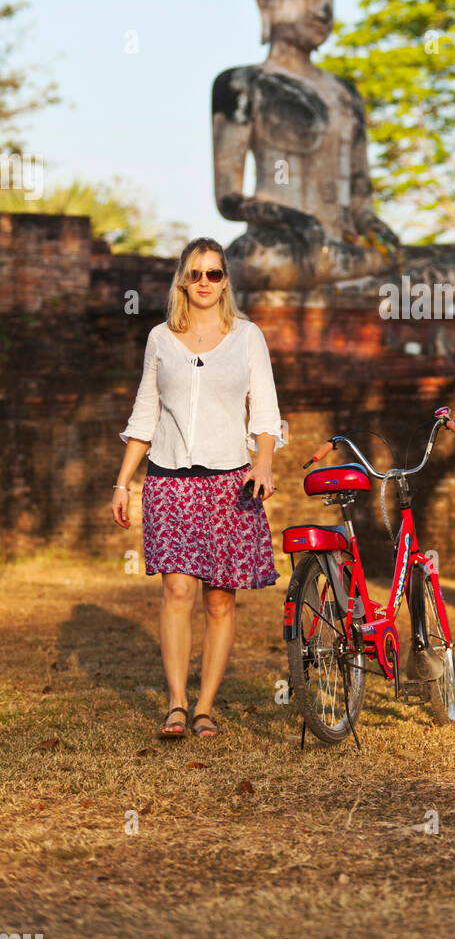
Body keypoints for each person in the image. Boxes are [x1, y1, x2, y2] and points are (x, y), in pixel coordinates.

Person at [112, 237, 286, 739]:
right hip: (168, 480)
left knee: (220, 599)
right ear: (182, 281)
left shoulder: (248, 337)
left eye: (214, 273)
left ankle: (206, 707)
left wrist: (265, 464)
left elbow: (266, 412)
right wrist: (123, 481)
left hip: (231, 481)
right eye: (196, 274)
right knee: (177, 588)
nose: (205, 282)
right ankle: (177, 705)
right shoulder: (161, 338)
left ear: (226, 280)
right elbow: (145, 413)